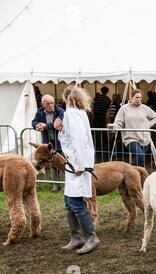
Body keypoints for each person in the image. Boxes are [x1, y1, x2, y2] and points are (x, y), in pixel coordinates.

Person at [54, 86, 100, 255]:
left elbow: (79, 141)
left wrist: (80, 165)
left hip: (77, 164)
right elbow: (70, 138)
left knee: (75, 202)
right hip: (74, 163)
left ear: (66, 98)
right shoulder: (76, 113)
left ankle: (91, 238)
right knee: (68, 201)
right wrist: (61, 129)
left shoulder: (72, 114)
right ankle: (77, 237)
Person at [109, 89, 156, 167]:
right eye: (136, 97)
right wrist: (114, 126)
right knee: (140, 155)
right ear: (131, 97)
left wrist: (148, 125)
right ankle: (128, 172)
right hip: (130, 138)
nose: (138, 99)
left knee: (141, 160)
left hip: (145, 138)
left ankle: (139, 177)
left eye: (140, 97)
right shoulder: (124, 108)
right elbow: (118, 122)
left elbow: (155, 116)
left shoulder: (145, 108)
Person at [31, 94, 65, 192]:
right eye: (48, 103)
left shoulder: (60, 111)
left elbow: (58, 124)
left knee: (63, 163)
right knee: (53, 164)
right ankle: (55, 185)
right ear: (43, 104)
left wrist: (45, 126)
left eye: (52, 103)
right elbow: (34, 122)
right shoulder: (40, 112)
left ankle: (66, 185)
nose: (50, 105)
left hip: (60, 142)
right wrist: (36, 126)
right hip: (47, 143)